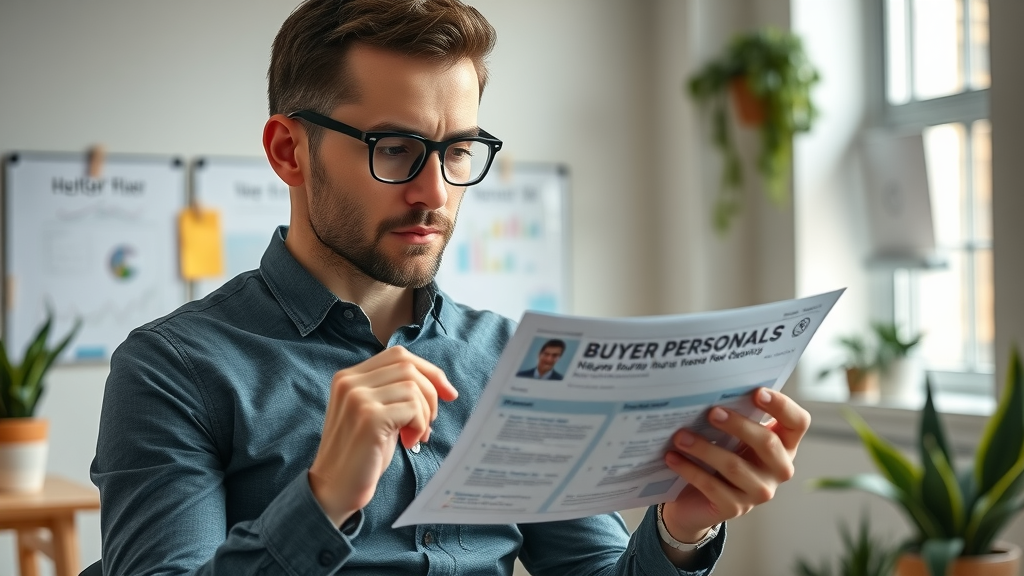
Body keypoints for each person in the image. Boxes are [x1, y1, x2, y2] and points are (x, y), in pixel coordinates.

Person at [91, 0, 812, 574]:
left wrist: (681, 528)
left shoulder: (511, 360)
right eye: (395, 149)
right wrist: (323, 501)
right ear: (289, 152)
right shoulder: (172, 370)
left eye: (458, 149)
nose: (434, 193)